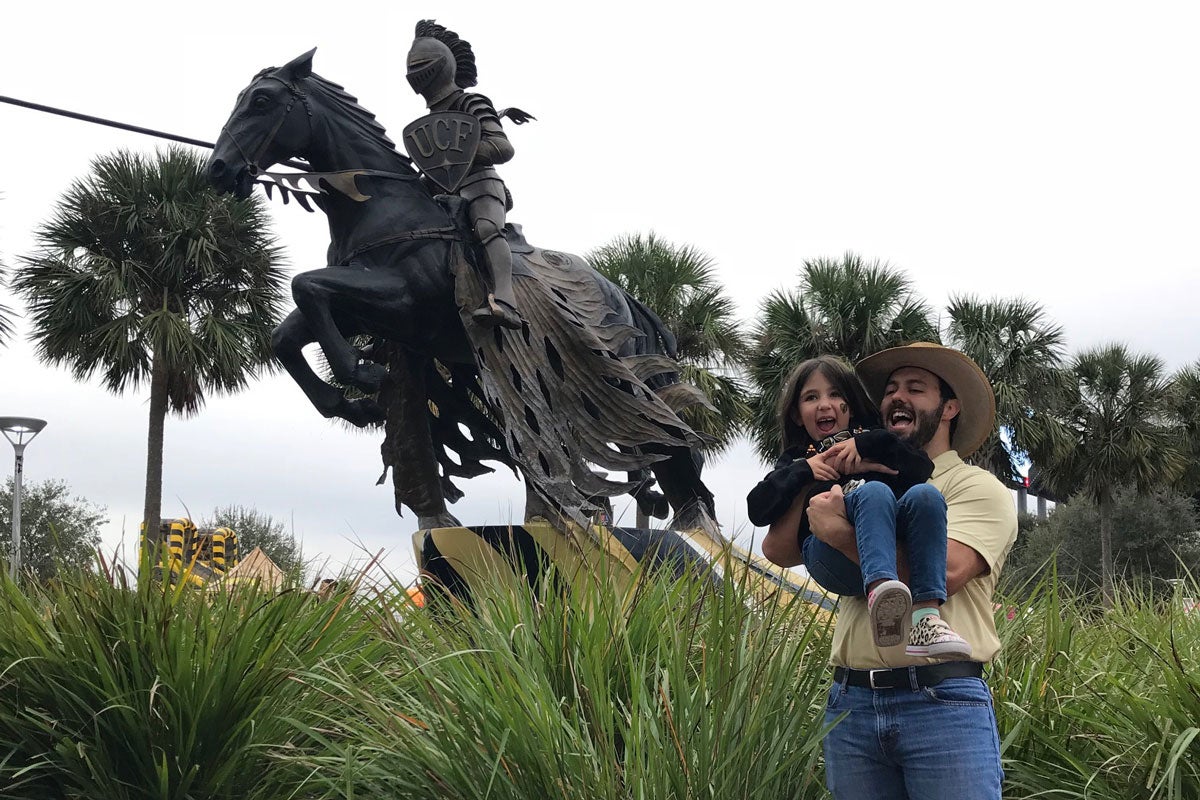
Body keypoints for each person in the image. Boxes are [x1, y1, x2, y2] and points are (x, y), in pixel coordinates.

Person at [760, 343, 1016, 800]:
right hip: (852, 702)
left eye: (916, 389)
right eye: (891, 389)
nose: (898, 397)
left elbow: (949, 572)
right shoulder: (859, 477)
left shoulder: (976, 487)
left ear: (949, 407)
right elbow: (779, 550)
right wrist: (807, 477)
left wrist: (840, 534)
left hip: (942, 701)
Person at [747, 356, 970, 658]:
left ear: (850, 407)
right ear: (798, 415)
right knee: (875, 491)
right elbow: (757, 509)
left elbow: (920, 468)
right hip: (828, 553)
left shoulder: (871, 443)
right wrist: (805, 471)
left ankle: (925, 618)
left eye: (836, 394)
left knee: (926, 497)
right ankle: (882, 594)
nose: (825, 404)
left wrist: (866, 445)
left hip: (882, 540)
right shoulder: (797, 460)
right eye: (811, 397)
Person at [405, 20, 527, 330]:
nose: (416, 73)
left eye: (422, 65)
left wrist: (458, 158)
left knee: (487, 229)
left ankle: (506, 302)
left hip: (481, 185)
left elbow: (502, 148)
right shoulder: (431, 120)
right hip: (443, 198)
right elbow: (432, 166)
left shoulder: (471, 102)